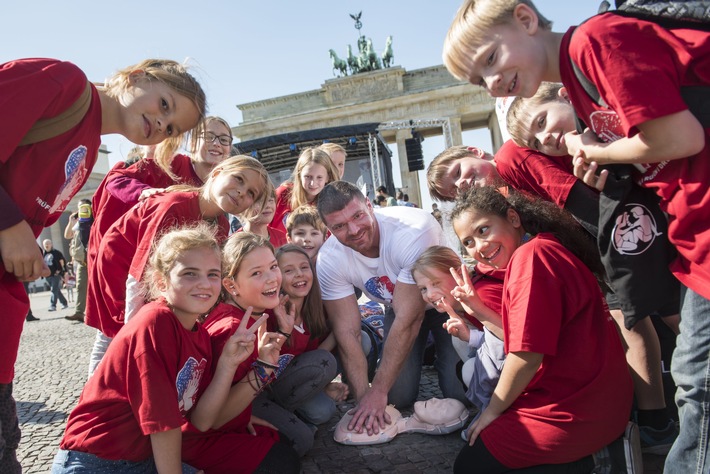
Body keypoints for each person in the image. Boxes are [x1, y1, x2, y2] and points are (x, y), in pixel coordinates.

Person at [0, 57, 206, 473]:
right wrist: (10, 225)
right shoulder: (64, 82)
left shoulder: (92, 146)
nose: (160, 125)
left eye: (171, 128)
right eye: (164, 105)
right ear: (137, 76)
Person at [502, 83, 681, 451]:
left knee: (659, 317)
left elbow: (578, 198)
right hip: (633, 235)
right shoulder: (520, 155)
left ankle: (656, 420)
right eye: (536, 140)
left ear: (565, 95)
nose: (545, 136)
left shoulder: (521, 153)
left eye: (542, 121)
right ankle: (657, 419)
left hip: (634, 234)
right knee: (662, 316)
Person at [449, 185, 632, 473]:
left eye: (483, 230)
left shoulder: (532, 257)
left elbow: (526, 353)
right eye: (468, 242)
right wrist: (478, 310)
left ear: (513, 217)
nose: (479, 248)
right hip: (599, 403)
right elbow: (527, 339)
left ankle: (592, 463)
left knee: (470, 465)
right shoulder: (543, 245)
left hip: (575, 411)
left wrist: (492, 412)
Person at [52, 224, 256, 474]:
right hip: (97, 461)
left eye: (213, 274)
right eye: (190, 273)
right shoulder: (155, 323)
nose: (205, 283)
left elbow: (202, 421)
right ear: (161, 282)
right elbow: (163, 423)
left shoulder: (199, 335)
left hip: (138, 458)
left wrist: (228, 362)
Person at [85, 156, 271, 376]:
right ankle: (97, 392)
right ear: (218, 172)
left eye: (251, 193)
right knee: (113, 337)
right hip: (119, 267)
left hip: (155, 276)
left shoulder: (220, 224)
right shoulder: (173, 205)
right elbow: (139, 275)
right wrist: (133, 336)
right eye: (239, 179)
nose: (242, 192)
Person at [316, 181, 466, 436]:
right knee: (398, 396)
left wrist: (378, 390)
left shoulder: (411, 231)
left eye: (358, 216)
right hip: (398, 307)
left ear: (370, 206)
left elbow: (411, 318)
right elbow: (347, 332)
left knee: (459, 392)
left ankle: (442, 356)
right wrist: (366, 397)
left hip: (449, 303)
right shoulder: (329, 258)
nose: (353, 230)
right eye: (339, 226)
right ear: (328, 229)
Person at [182, 232, 300, 473]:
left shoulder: (253, 314)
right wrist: (264, 370)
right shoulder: (232, 330)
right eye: (256, 273)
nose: (272, 279)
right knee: (284, 461)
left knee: (289, 442)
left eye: (273, 267)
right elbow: (209, 419)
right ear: (231, 285)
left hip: (225, 425)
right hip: (197, 440)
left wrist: (243, 417)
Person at [89, 115, 234, 279]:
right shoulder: (171, 164)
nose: (216, 143)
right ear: (192, 143)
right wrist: (142, 191)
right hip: (130, 263)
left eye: (224, 139)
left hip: (179, 273)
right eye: (208, 137)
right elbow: (115, 179)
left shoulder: (223, 185)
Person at [252, 244, 348, 456]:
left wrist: (340, 325)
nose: (299, 275)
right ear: (277, 275)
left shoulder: (316, 306)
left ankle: (306, 406)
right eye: (288, 270)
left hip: (302, 376)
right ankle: (291, 416)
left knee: (324, 411)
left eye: (304, 267)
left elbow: (314, 359)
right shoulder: (270, 311)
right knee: (319, 413)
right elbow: (312, 361)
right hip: (269, 387)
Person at [411, 246, 505, 426]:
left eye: (436, 283)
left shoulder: (483, 295)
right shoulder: (462, 304)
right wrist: (471, 336)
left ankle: (498, 414)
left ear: (458, 276)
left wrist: (472, 337)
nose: (429, 294)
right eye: (423, 288)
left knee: (470, 369)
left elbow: (518, 343)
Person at [271, 147, 339, 235]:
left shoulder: (333, 205)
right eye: (308, 176)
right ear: (299, 175)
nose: (313, 183)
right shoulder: (282, 194)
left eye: (319, 177)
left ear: (327, 177)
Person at [427, 145, 506, 202]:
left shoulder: (511, 158)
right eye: (454, 191)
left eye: (458, 172)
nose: (459, 184)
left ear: (475, 152)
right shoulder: (506, 199)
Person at [63, 199, 93, 322]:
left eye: (84, 207)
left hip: (93, 258)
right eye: (79, 207)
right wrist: (71, 222)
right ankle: (79, 312)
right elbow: (67, 235)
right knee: (80, 286)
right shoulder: (77, 223)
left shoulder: (93, 219)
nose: (82, 210)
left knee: (97, 286)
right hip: (81, 261)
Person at [42, 239, 68, 312]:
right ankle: (64, 303)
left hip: (55, 274)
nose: (47, 245)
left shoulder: (56, 253)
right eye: (45, 244)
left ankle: (52, 305)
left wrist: (61, 271)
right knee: (56, 290)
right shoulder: (42, 254)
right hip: (47, 275)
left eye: (48, 244)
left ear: (51, 244)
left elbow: (62, 261)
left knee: (53, 289)